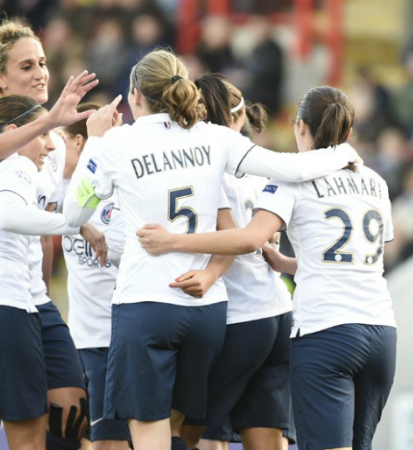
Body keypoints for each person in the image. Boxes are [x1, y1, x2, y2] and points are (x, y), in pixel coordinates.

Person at [62, 49, 361, 450]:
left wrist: (96, 141)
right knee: (183, 432)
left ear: (135, 95)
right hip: (207, 312)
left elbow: (73, 213)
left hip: (146, 303)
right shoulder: (214, 137)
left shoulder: (118, 142)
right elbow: (294, 168)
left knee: (153, 437)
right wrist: (345, 150)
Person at [135, 85, 398, 450]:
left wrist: (172, 242)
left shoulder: (291, 179)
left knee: (187, 429)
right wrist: (288, 264)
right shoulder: (376, 182)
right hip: (381, 332)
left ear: (300, 126)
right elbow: (353, 259)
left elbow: (249, 239)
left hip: (325, 331)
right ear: (348, 131)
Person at [0, 20, 98, 450]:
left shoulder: (53, 142)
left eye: (43, 63)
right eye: (27, 66)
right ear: (0, 78)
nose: (40, 74)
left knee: (72, 413)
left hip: (32, 300)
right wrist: (47, 121)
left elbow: (47, 224)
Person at [177, 73, 294, 450]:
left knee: (191, 432)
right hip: (278, 311)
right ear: (239, 116)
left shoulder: (206, 168)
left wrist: (172, 243)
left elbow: (233, 238)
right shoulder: (262, 168)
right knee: (266, 435)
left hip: (239, 317)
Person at [61, 104, 132, 450]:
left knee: (111, 443)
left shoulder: (119, 195)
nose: (52, 150)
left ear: (80, 142)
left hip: (111, 341)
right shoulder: (62, 191)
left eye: (60, 141)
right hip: (78, 341)